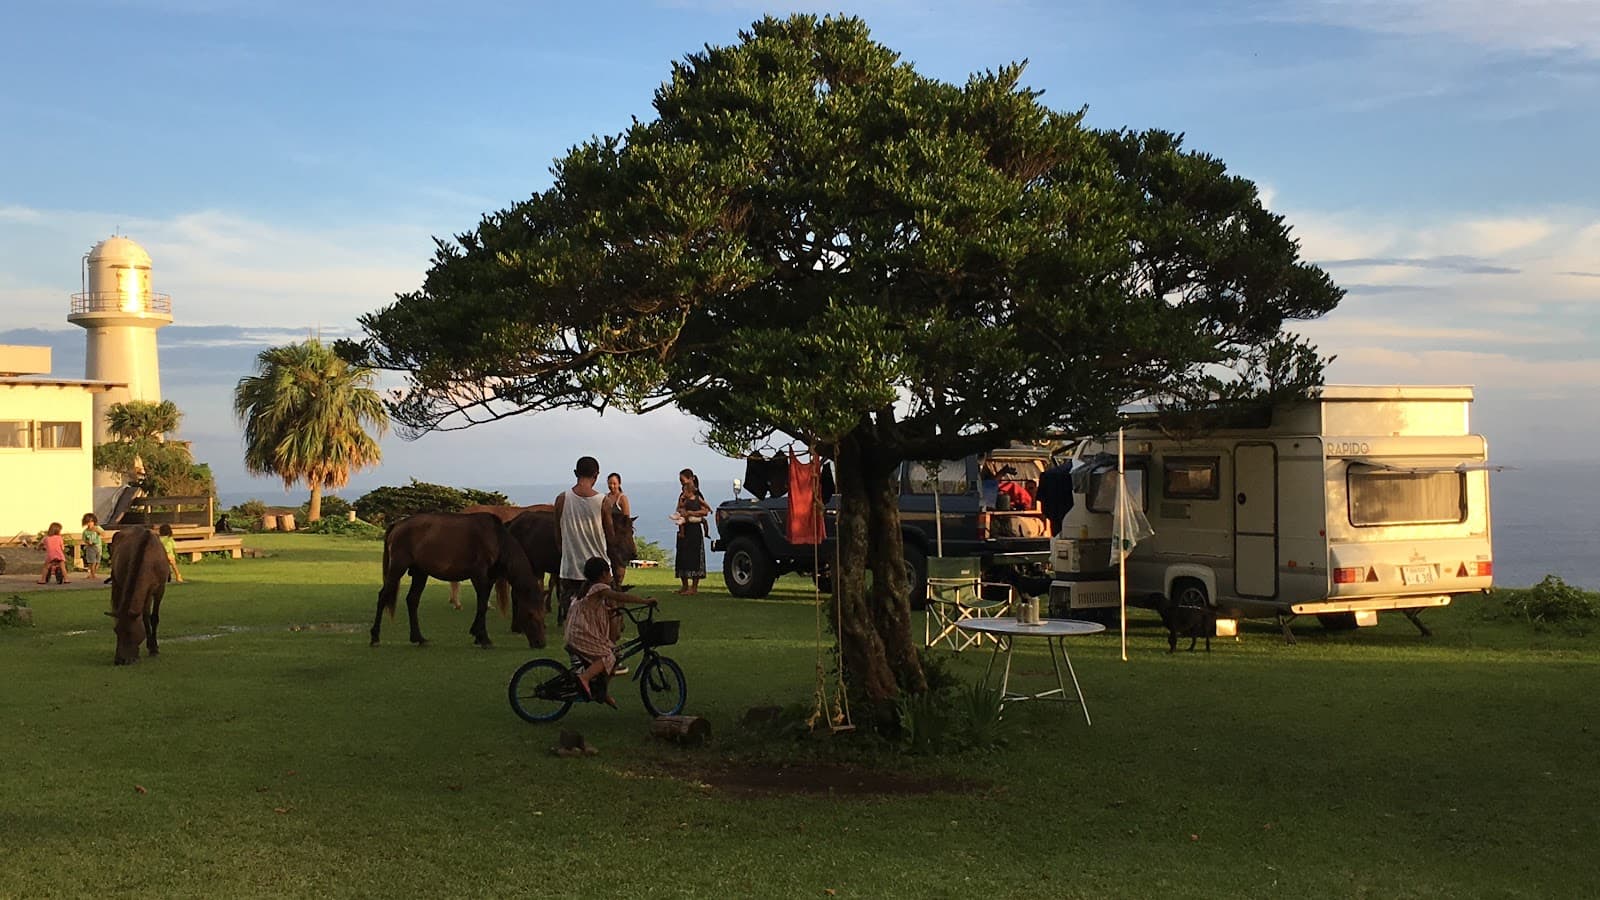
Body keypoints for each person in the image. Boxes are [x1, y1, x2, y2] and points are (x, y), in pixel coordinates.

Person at [565, 555, 657, 706]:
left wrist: (611, 611)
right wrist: (645, 601)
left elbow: (593, 609)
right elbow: (618, 596)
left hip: (577, 632)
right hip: (580, 634)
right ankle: (585, 678)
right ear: (602, 575)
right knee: (608, 656)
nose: (611, 576)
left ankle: (601, 691)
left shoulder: (588, 589)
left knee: (614, 655)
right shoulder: (598, 587)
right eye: (609, 573)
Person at [554, 456, 609, 618]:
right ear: (596, 475)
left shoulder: (562, 499)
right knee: (598, 617)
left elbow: (558, 535)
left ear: (575, 473)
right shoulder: (603, 501)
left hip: (570, 569)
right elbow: (610, 536)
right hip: (598, 570)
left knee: (572, 617)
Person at [673, 467, 709, 595]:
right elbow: (678, 509)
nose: (682, 483)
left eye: (683, 480)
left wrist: (691, 513)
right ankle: (684, 585)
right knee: (682, 556)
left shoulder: (698, 495)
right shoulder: (682, 495)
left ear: (690, 479)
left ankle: (694, 587)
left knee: (694, 557)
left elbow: (705, 511)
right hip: (684, 527)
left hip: (694, 528)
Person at [81, 513, 108, 580]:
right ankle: (92, 574)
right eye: (88, 522)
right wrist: (88, 542)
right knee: (92, 561)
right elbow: (84, 539)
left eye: (91, 522)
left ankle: (93, 573)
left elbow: (104, 534)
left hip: (98, 547)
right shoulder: (85, 532)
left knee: (97, 561)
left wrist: (97, 530)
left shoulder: (97, 528)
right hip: (90, 548)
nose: (90, 524)